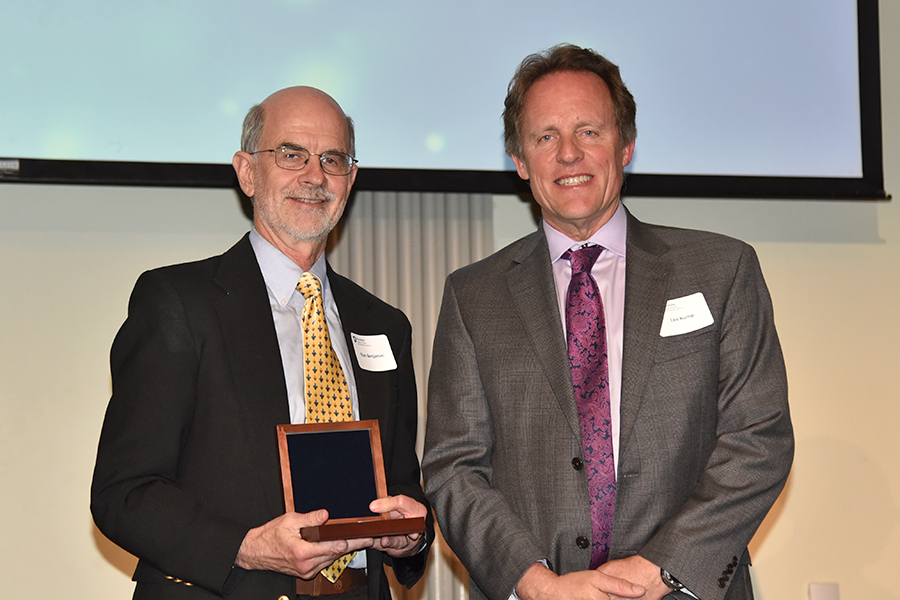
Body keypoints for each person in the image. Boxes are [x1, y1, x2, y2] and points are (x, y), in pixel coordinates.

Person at [422, 44, 793, 600]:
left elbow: (758, 439)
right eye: (545, 137)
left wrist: (656, 572)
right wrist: (536, 584)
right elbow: (455, 469)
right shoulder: (473, 297)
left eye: (589, 131)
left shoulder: (722, 270)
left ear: (626, 145)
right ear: (520, 161)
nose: (568, 154)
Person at [91, 86, 433, 600]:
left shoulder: (385, 325)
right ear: (247, 172)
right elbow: (124, 493)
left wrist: (411, 535)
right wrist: (246, 546)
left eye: (332, 159)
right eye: (291, 154)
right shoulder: (178, 304)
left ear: (351, 179)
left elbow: (401, 483)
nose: (314, 176)